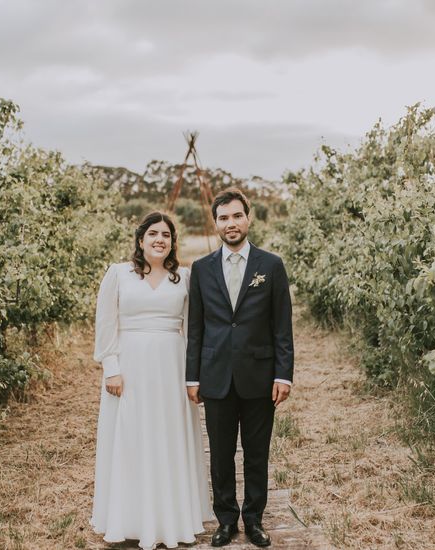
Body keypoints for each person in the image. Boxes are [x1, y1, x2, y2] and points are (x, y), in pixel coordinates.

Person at [91, 211, 213, 549]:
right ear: (141, 239)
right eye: (153, 234)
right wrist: (111, 367)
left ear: (173, 242)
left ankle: (171, 518)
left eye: (167, 235)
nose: (160, 239)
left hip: (171, 365)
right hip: (129, 366)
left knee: (168, 435)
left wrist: (194, 375)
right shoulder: (118, 274)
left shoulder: (184, 277)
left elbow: (192, 330)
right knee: (132, 436)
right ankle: (130, 518)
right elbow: (106, 324)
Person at [185, 188, 294, 548]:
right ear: (215, 223)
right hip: (215, 376)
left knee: (256, 451)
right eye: (223, 218)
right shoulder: (201, 269)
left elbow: (282, 325)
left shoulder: (271, 265)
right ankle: (226, 519)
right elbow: (196, 328)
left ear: (248, 218)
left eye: (236, 216)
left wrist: (283, 374)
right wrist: (192, 376)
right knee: (220, 454)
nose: (230, 224)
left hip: (259, 377)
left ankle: (254, 519)